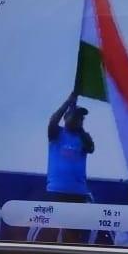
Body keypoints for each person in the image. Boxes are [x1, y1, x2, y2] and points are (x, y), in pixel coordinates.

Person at [41, 91, 95, 243]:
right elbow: (52, 121)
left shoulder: (84, 137)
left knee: (73, 233)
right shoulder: (56, 133)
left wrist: (80, 127)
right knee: (52, 230)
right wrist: (68, 102)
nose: (79, 120)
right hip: (56, 191)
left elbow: (90, 148)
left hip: (78, 193)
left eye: (81, 118)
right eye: (76, 116)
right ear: (66, 117)